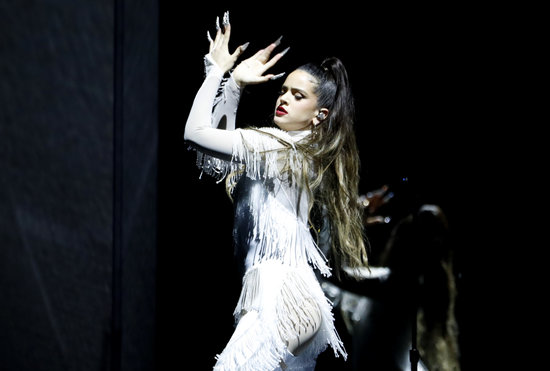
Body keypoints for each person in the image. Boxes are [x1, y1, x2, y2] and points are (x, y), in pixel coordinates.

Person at [184, 11, 369, 370]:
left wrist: (219, 70)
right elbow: (213, 163)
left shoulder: (279, 148)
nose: (282, 98)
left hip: (283, 295)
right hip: (274, 297)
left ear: (320, 114)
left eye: (298, 95)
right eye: (283, 90)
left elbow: (195, 133)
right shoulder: (279, 151)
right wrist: (235, 85)